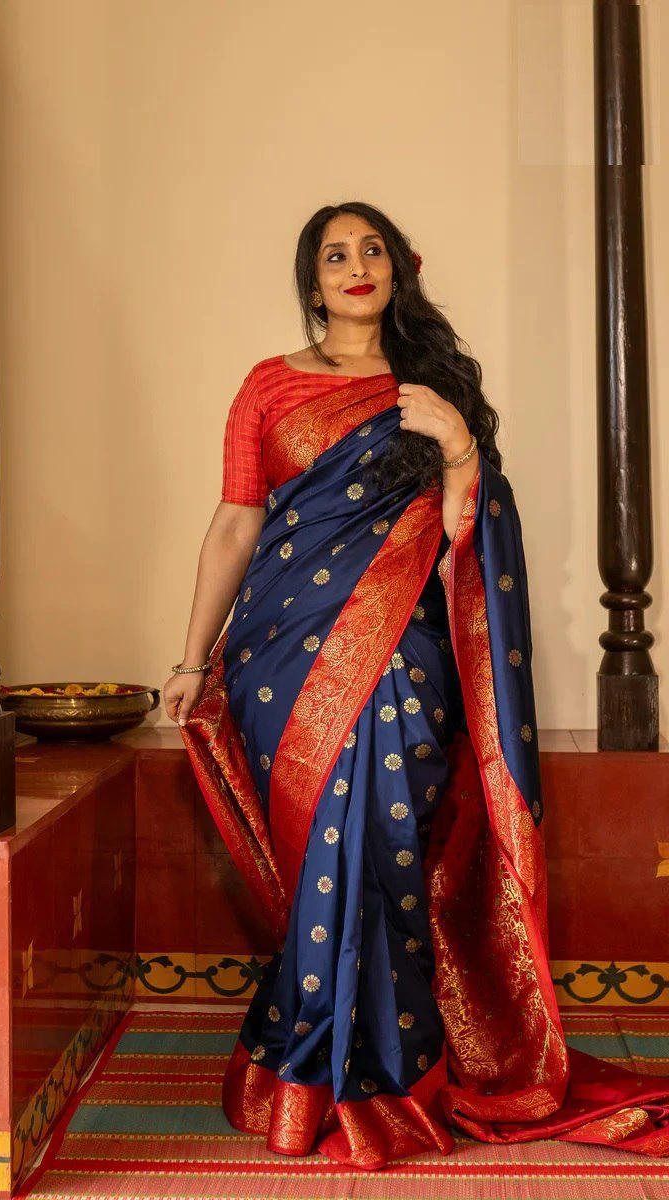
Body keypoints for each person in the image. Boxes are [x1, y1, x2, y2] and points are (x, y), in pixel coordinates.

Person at [162, 202, 669, 1170]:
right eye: (334, 255)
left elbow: (469, 538)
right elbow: (235, 524)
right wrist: (192, 660)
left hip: (404, 656)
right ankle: (314, 1065)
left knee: (385, 850)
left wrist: (459, 446)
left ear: (399, 268)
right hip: (279, 656)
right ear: (313, 283)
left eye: (372, 250)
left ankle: (385, 1074)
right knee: (318, 854)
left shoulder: (433, 386)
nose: (356, 265)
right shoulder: (267, 385)